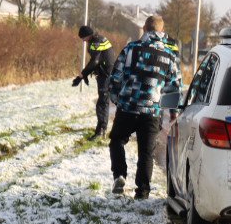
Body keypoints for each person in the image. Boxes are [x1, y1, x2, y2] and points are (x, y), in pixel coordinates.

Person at [106, 14, 183, 197]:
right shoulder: (169, 56)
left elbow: (116, 75)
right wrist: (173, 112)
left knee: (117, 140)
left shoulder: (131, 49)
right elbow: (174, 88)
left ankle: (119, 175)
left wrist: (116, 97)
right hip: (152, 111)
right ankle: (143, 192)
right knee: (146, 152)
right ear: (162, 31)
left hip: (128, 106)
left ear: (145, 28)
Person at [72, 24, 116, 139]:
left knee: (102, 103)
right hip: (106, 74)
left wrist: (82, 75)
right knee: (105, 101)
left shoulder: (96, 42)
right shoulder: (98, 39)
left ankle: (101, 130)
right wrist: (86, 74)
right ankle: (103, 128)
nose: (83, 41)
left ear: (87, 36)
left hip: (106, 75)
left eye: (83, 38)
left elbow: (95, 61)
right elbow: (98, 60)